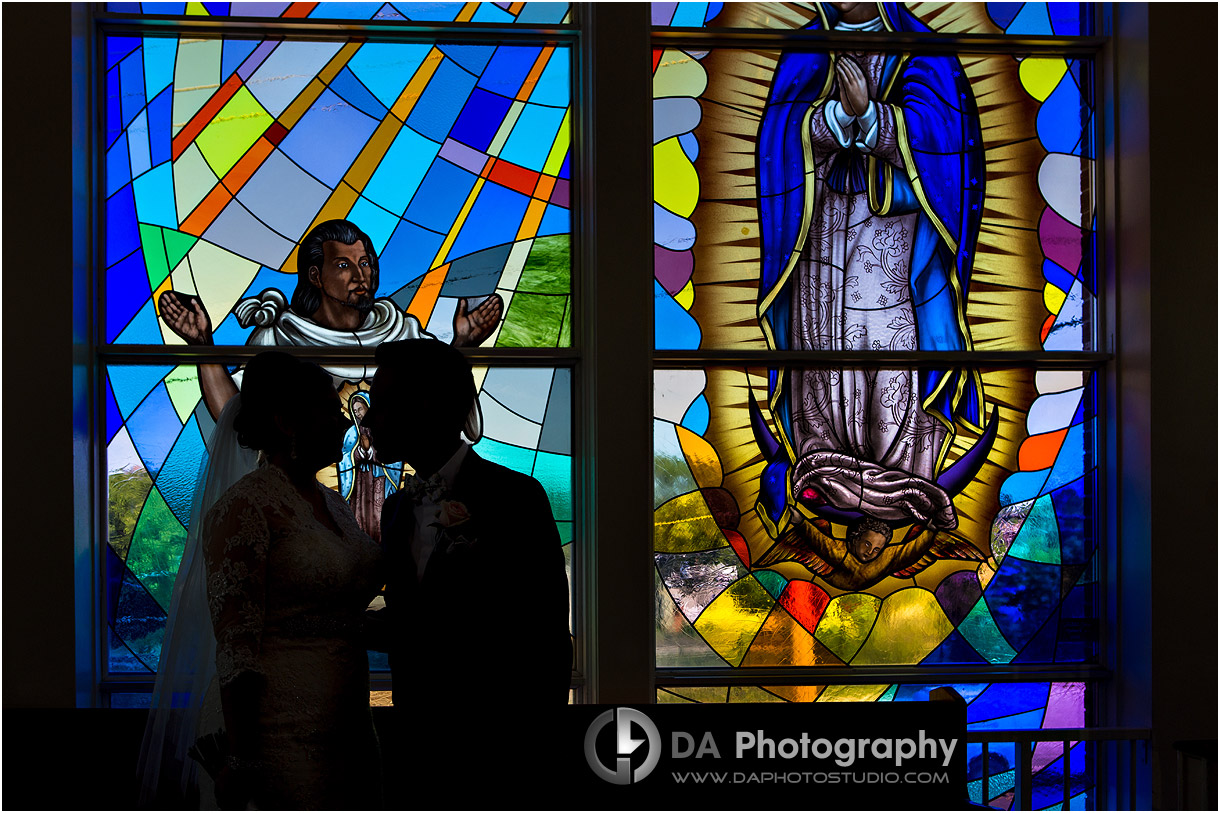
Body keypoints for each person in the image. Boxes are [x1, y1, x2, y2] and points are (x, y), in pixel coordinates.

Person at [754, 2, 987, 539]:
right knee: (821, 345)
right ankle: (823, 457)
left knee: (886, 341)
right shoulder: (804, 51)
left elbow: (948, 145)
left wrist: (874, 118)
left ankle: (899, 473)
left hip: (895, 231)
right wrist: (834, 120)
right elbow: (778, 141)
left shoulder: (924, 52)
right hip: (818, 230)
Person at [363, 339, 571, 801]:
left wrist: (540, 755)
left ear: (425, 405)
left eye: (380, 404)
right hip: (416, 753)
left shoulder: (516, 499)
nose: (369, 420)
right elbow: (413, 620)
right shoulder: (396, 509)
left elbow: (548, 639)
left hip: (503, 755)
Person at [201, 351, 384, 809]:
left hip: (350, 723)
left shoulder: (334, 505)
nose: (343, 424)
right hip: (283, 734)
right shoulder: (246, 507)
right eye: (329, 410)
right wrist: (242, 762)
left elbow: (342, 607)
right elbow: (236, 648)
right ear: (287, 422)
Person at [339, 391, 402, 543]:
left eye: (360, 409)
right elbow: (346, 456)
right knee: (360, 515)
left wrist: (369, 449)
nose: (358, 413)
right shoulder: (352, 433)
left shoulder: (381, 429)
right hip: (359, 484)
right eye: (354, 411)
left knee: (378, 516)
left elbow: (391, 456)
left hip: (379, 480)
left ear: (368, 408)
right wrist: (360, 451)